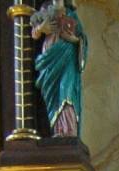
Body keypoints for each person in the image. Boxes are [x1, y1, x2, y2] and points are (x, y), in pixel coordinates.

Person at [31, 0, 87, 138]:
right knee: (54, 95)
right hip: (50, 59)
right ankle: (59, 130)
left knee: (67, 90)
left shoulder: (71, 14)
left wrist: (71, 39)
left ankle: (69, 131)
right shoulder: (45, 9)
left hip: (68, 58)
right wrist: (42, 28)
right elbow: (34, 33)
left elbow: (81, 39)